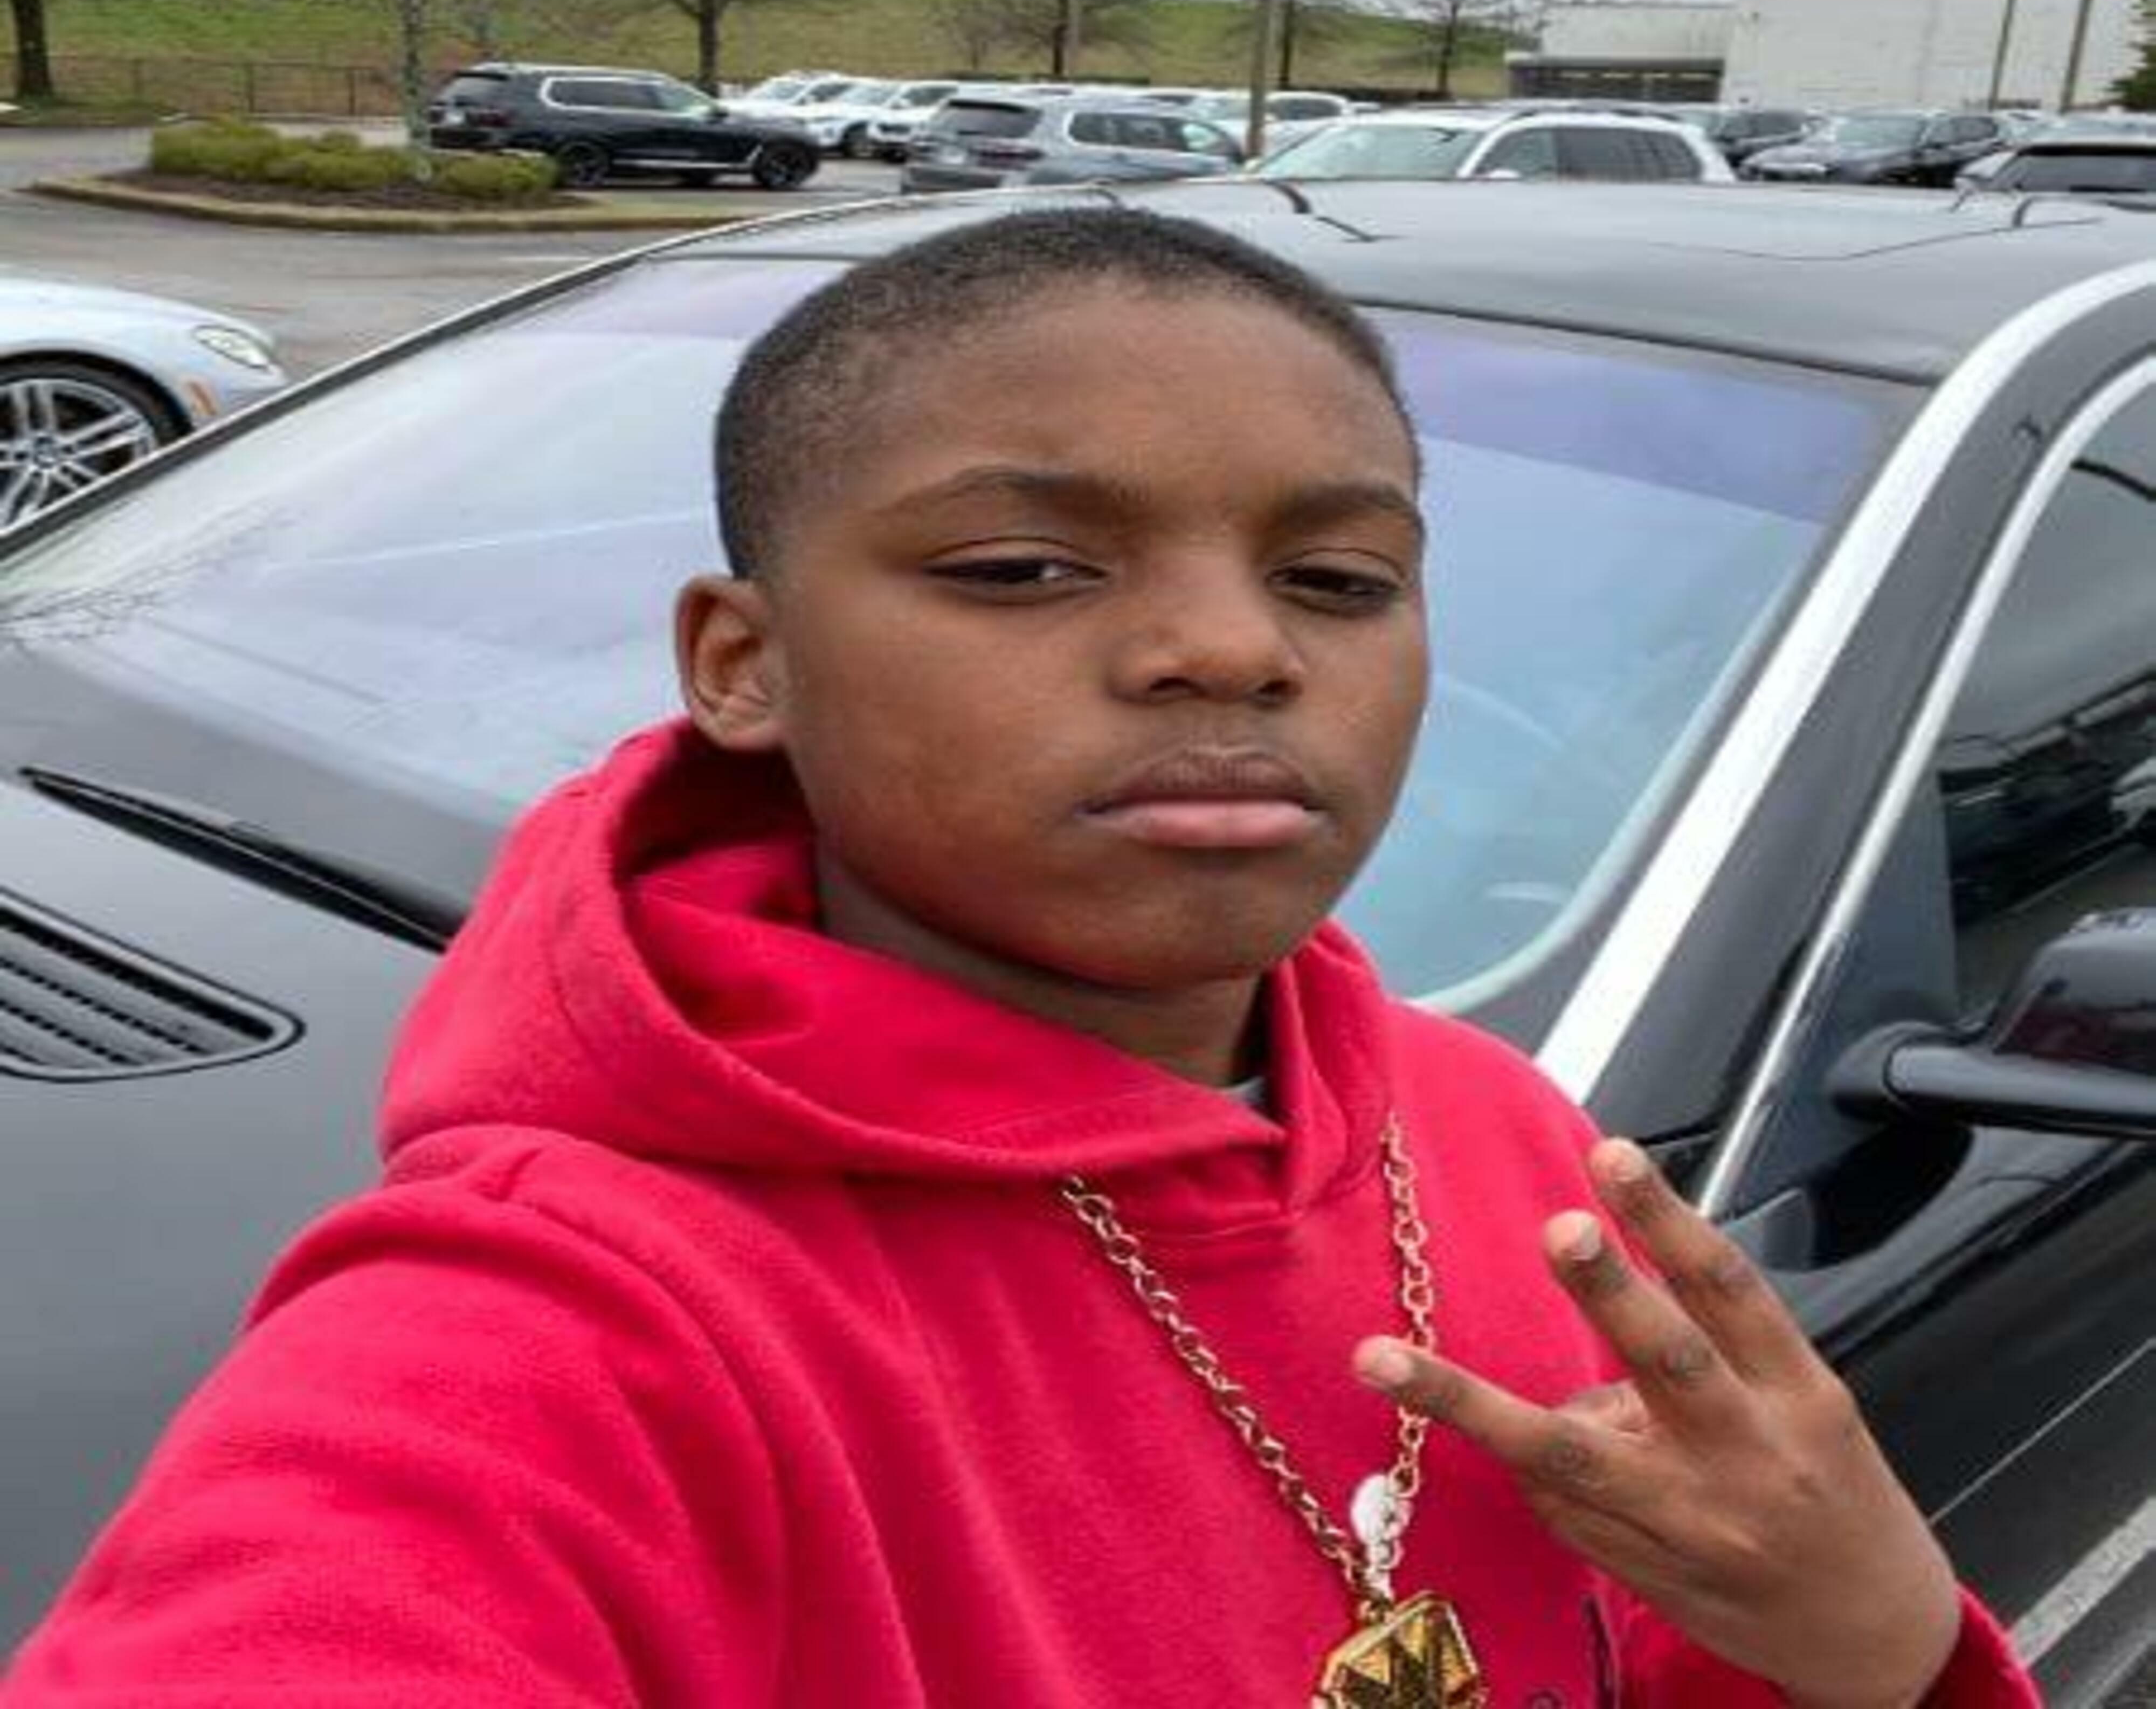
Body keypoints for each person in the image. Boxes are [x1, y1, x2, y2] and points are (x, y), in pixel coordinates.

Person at [6, 208, 2033, 1707]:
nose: (1234, 648)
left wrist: (1875, 1652)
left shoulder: (1501, 1136)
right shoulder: (559, 1330)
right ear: (743, 662)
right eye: (1024, 568)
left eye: (1340, 578)